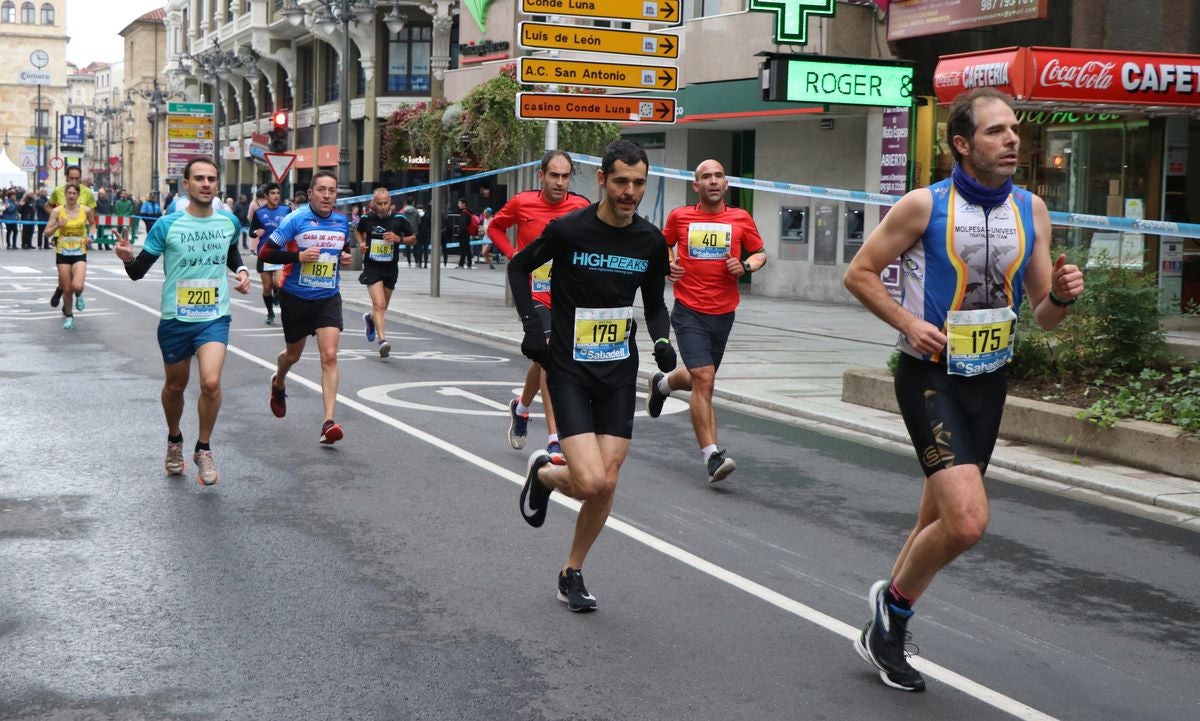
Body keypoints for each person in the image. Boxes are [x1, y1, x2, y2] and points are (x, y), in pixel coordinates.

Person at [843, 88, 1085, 693]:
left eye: (1015, 130)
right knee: (968, 521)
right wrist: (907, 322)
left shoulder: (1031, 210)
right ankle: (892, 614)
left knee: (937, 515)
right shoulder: (923, 206)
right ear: (961, 143)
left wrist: (1060, 295)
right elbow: (859, 273)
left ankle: (884, 622)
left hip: (988, 379)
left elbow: (1043, 315)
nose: (1011, 141)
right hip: (929, 377)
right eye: (996, 131)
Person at [506, 140, 677, 613]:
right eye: (621, 181)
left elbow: (656, 305)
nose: (630, 191)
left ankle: (572, 571)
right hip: (569, 369)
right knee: (588, 479)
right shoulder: (568, 230)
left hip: (618, 370)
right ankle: (544, 472)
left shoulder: (649, 241)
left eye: (639, 183)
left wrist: (662, 341)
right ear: (602, 180)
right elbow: (520, 268)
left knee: (606, 482)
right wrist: (532, 327)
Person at [113, 157, 251, 486]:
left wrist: (243, 271)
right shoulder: (167, 225)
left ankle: (203, 448)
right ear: (186, 185)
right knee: (176, 386)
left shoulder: (228, 221)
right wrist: (128, 257)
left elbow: (231, 253)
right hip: (176, 317)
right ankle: (175, 439)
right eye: (199, 179)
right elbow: (137, 273)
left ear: (217, 185)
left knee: (211, 383)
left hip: (214, 316)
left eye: (212, 179)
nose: (206, 184)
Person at [645, 159, 767, 483]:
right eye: (705, 177)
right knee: (705, 378)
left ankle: (662, 384)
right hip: (688, 310)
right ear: (695, 185)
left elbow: (760, 253)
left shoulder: (741, 218)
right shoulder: (680, 216)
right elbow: (660, 245)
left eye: (718, 176)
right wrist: (668, 264)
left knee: (701, 379)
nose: (713, 181)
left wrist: (747, 266)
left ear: (726, 184)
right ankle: (711, 455)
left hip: (724, 313)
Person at [488, 150, 591, 462]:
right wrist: (514, 256)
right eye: (554, 175)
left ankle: (521, 407)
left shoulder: (581, 206)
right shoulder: (522, 203)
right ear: (541, 176)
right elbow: (494, 227)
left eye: (565, 176)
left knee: (541, 359)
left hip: (568, 296)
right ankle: (555, 438)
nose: (560, 182)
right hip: (534, 294)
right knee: (550, 360)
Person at [259, 170, 353, 444]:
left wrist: (344, 257)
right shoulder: (295, 219)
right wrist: (298, 255)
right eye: (321, 190)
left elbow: (340, 250)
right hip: (295, 296)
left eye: (332, 190)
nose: (326, 195)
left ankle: (328, 422)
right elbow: (266, 253)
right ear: (310, 193)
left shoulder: (341, 222)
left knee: (330, 356)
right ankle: (278, 382)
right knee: (293, 355)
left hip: (327, 296)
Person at [356, 188, 415, 358]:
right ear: (373, 203)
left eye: (385, 203)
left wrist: (399, 239)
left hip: (390, 268)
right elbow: (358, 231)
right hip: (372, 267)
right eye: (379, 203)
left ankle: (370, 319)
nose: (382, 207)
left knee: (383, 307)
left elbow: (414, 239)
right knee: (379, 305)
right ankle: (383, 342)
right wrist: (361, 244)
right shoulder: (367, 218)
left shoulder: (399, 219)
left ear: (390, 202)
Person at [42, 183, 96, 330]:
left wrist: (91, 236)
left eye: (74, 193)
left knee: (77, 285)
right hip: (63, 252)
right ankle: (69, 315)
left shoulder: (85, 210)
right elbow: (46, 233)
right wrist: (57, 226)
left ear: (78, 195)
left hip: (79, 251)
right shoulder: (57, 212)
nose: (71, 196)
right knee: (66, 288)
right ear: (65, 195)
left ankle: (79, 294)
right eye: (69, 193)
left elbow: (92, 224)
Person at [249, 182, 290, 325]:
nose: (276, 196)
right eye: (273, 193)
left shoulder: (286, 210)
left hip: (281, 252)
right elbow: (251, 231)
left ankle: (277, 294)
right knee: (267, 287)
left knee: (279, 283)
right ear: (266, 196)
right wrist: (256, 232)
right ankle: (270, 312)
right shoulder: (259, 213)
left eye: (278, 193)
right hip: (264, 253)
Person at [398, 196, 421, 267]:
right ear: (413, 203)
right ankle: (417, 262)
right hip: (415, 231)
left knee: (407, 247)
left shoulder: (403, 212)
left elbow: (401, 221)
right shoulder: (416, 211)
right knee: (416, 247)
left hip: (406, 232)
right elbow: (419, 221)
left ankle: (409, 262)